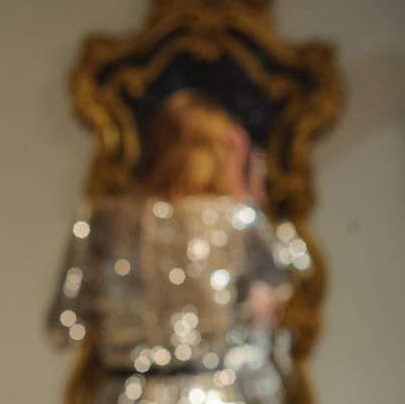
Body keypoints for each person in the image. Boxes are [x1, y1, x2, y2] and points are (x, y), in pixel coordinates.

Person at [46, 90, 305, 403]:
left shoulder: (103, 218)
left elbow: (64, 326)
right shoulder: (234, 218)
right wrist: (246, 196)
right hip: (210, 394)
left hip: (126, 392)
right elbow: (289, 273)